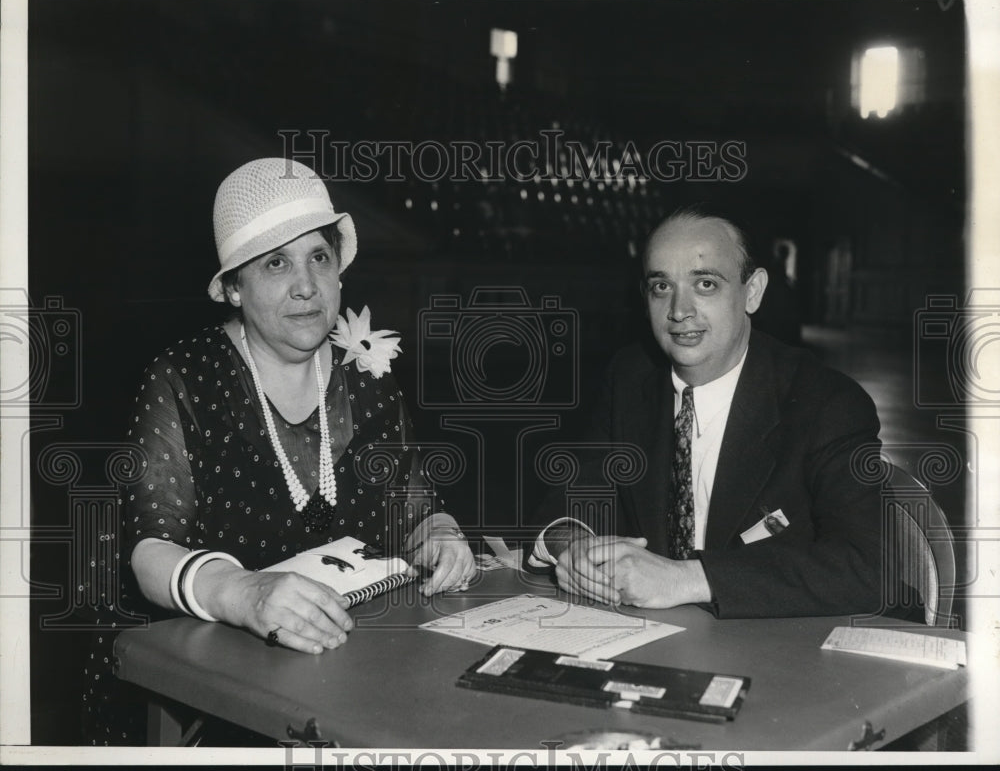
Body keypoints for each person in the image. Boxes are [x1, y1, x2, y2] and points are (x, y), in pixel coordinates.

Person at [83, 157, 473, 744]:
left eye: (319, 256)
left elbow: (414, 512)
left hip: (352, 676)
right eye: (276, 263)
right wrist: (243, 593)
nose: (306, 286)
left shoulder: (366, 376)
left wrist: (440, 533)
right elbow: (148, 551)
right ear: (234, 288)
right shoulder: (181, 379)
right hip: (215, 694)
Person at [527, 208, 885, 619]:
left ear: (753, 292)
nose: (679, 311)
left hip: (781, 650)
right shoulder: (631, 377)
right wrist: (573, 546)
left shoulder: (825, 401)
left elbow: (869, 568)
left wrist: (688, 578)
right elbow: (572, 497)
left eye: (706, 284)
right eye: (661, 286)